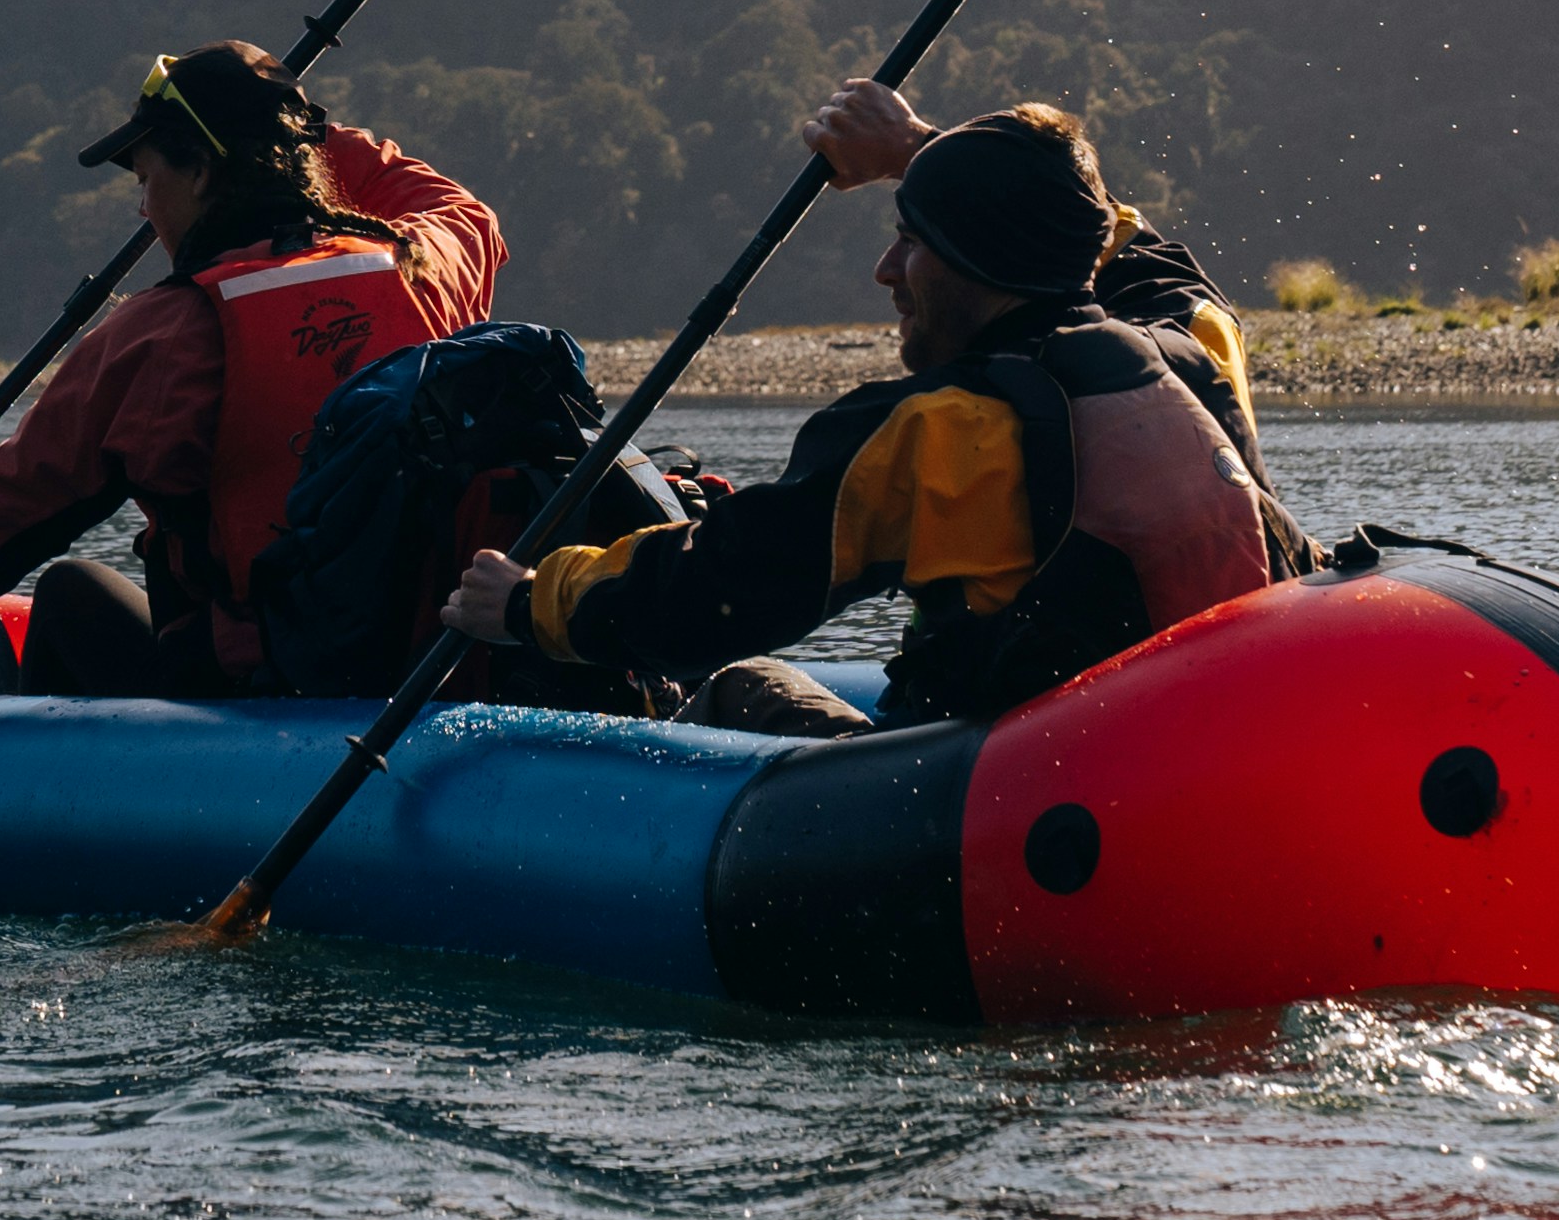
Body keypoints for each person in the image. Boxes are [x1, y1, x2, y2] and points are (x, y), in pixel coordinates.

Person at [439, 76, 1308, 733]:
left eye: (912, 240)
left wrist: (526, 601)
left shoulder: (942, 432)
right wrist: (927, 151)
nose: (888, 272)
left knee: (732, 683)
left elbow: (719, 587)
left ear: (973, 259)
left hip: (1014, 810)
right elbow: (1148, 262)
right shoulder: (1196, 354)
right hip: (1209, 760)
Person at [0, 40, 499, 698]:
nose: (145, 209)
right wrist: (285, 121)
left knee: (69, 591)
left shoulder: (159, 335)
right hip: (419, 669)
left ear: (203, 172)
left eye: (147, 179)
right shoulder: (418, 265)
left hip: (257, 693)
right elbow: (462, 210)